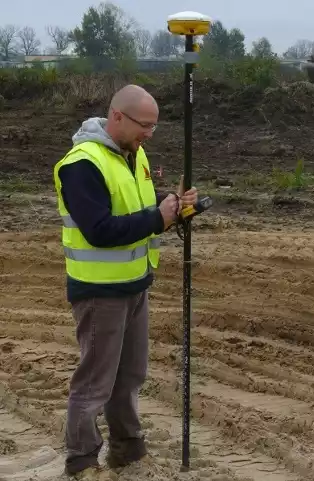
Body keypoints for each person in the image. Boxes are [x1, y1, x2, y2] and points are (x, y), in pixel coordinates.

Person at [52, 84, 198, 479]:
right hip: (100, 292)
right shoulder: (81, 164)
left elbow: (138, 210)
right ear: (117, 116)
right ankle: (81, 461)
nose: (149, 133)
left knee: (130, 375)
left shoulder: (133, 153)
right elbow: (99, 229)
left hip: (135, 284)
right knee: (95, 382)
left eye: (154, 126)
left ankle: (128, 451)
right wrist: (158, 218)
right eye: (144, 125)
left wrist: (172, 208)